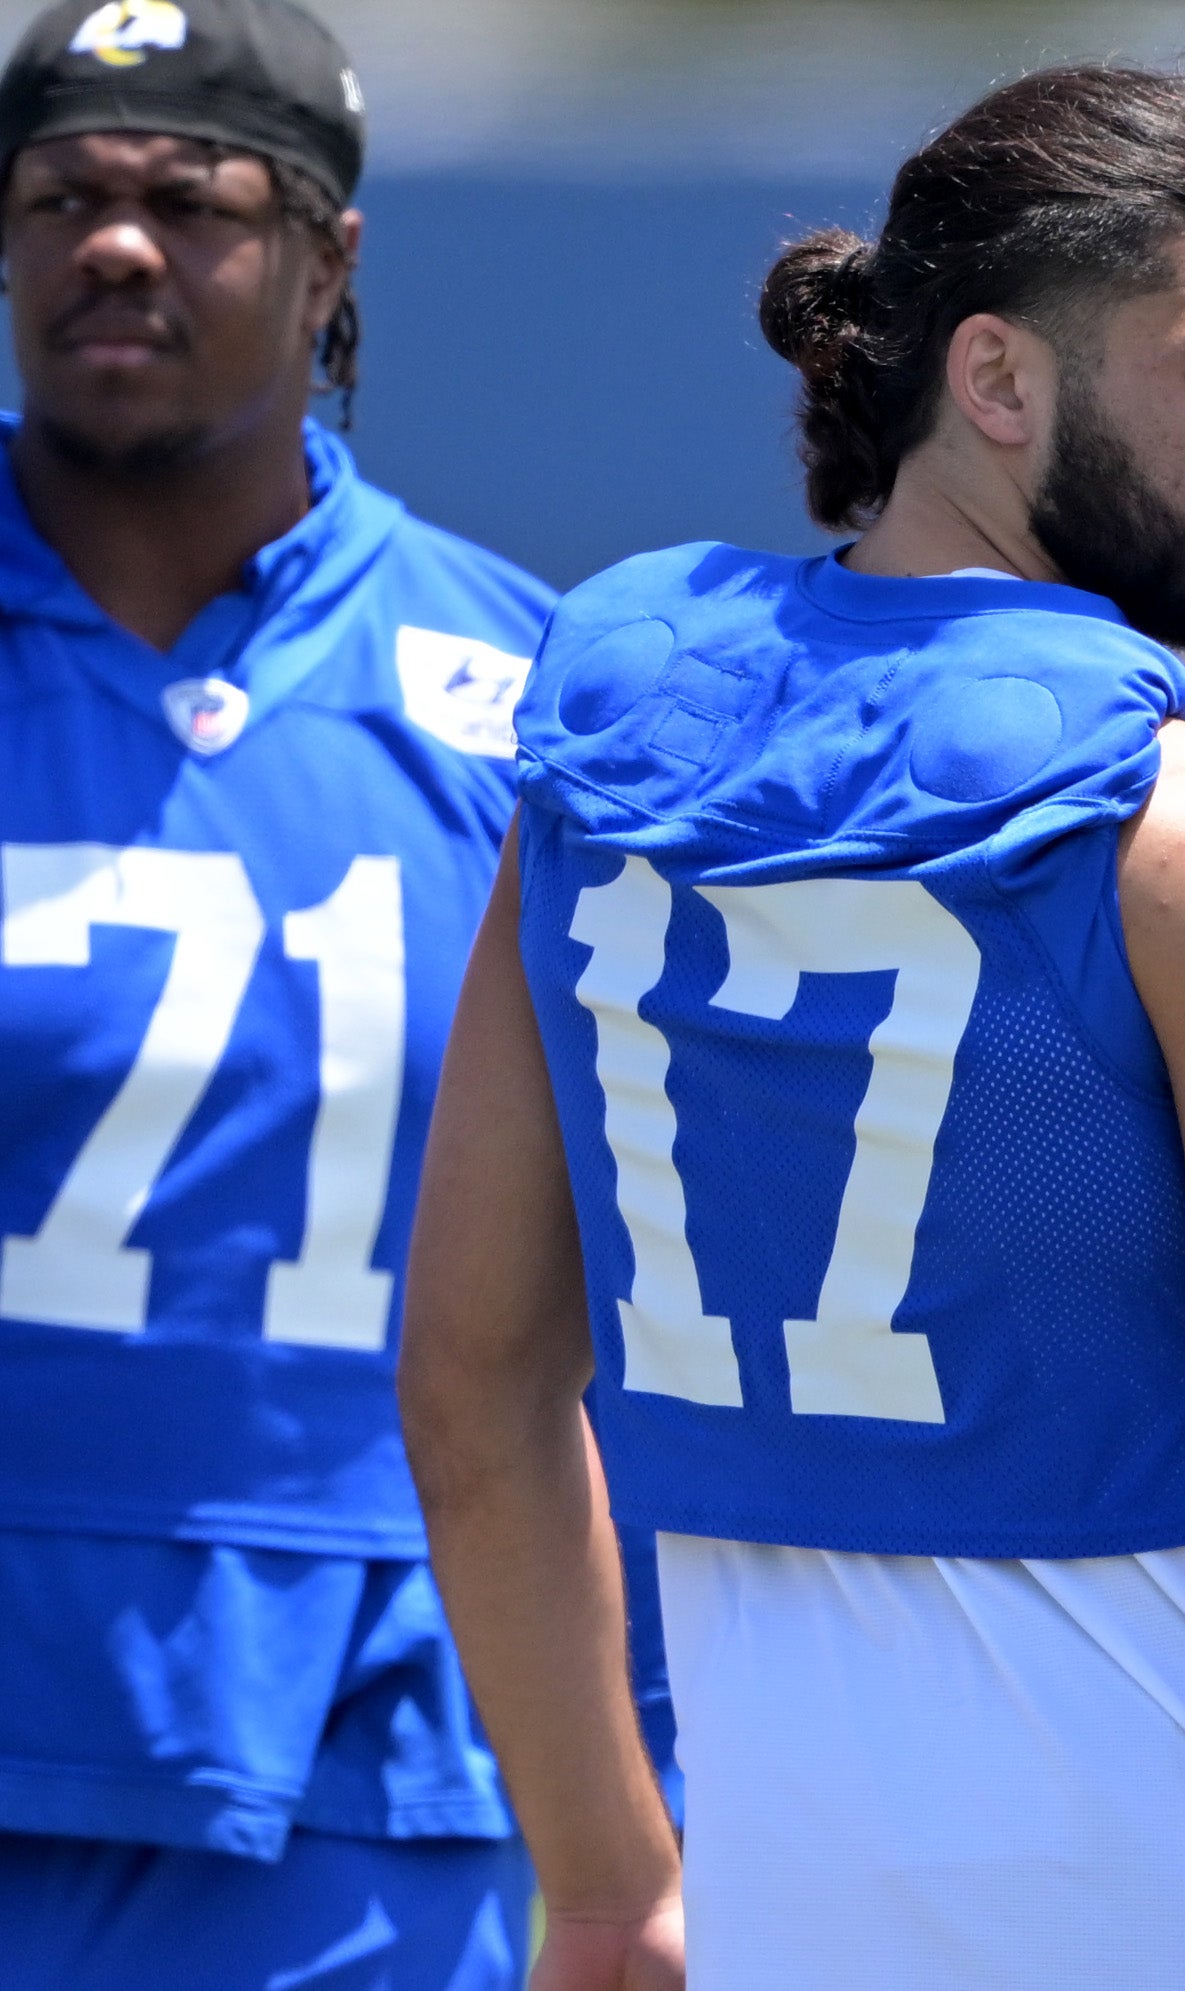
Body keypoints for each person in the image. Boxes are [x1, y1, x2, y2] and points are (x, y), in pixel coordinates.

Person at [399, 62, 1185, 1991]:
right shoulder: (1179, 824)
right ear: (996, 379)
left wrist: (609, 1877)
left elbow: (471, 1389)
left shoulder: (600, 767)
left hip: (795, 1902)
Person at [0, 0, 668, 1983]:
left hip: (363, 1755)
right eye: (62, 198)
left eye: (192, 201)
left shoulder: (526, 704)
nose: (119, 245)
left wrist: (642, 1803)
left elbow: (623, 1284)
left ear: (329, 257)